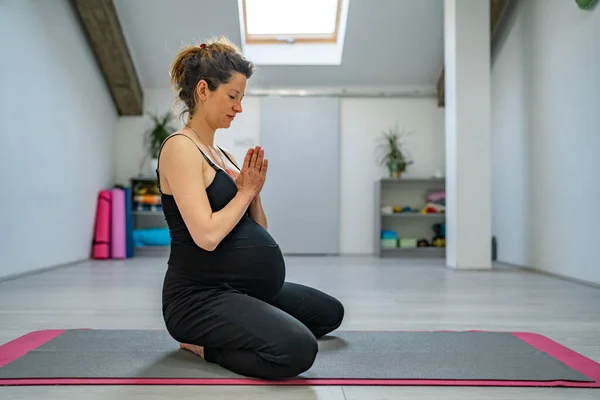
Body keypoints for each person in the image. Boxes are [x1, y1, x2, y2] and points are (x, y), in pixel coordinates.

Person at [156, 36, 345, 380]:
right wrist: (243, 192)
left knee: (329, 313)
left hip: (241, 289)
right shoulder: (180, 149)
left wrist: (253, 193)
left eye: (241, 98)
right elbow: (208, 235)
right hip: (198, 297)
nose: (238, 107)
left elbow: (258, 229)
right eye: (232, 96)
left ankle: (249, 315)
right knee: (298, 349)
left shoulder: (222, 154)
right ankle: (203, 346)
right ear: (202, 91)